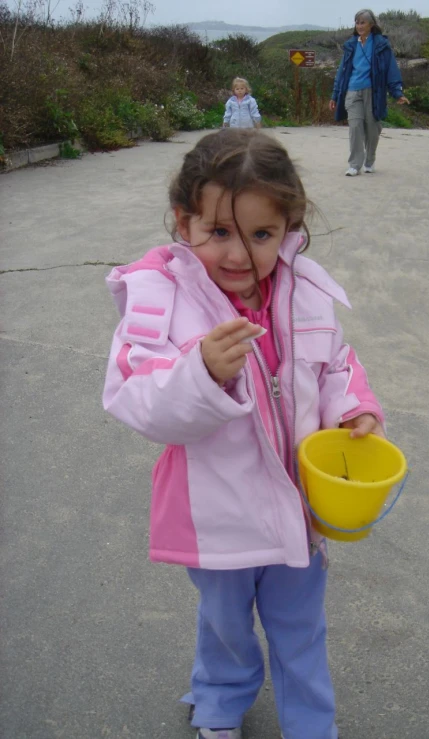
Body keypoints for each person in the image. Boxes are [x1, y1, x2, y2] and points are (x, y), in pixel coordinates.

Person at [102, 128, 385, 739]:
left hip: (299, 509)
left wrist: (354, 409)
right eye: (219, 233)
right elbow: (134, 397)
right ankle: (220, 703)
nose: (240, 255)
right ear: (184, 222)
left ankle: (313, 726)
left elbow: (335, 363)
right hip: (217, 514)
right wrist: (199, 372)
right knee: (225, 625)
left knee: (301, 629)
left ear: (288, 225)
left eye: (261, 235)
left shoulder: (305, 290)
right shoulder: (160, 299)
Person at [329, 8, 410, 176]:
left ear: (371, 25)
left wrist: (397, 93)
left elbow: (391, 70)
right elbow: (342, 72)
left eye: (362, 22)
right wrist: (335, 95)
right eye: (357, 22)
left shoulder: (381, 45)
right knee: (355, 126)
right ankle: (354, 164)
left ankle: (370, 159)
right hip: (352, 90)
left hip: (373, 92)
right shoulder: (351, 45)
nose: (359, 25)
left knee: (373, 129)